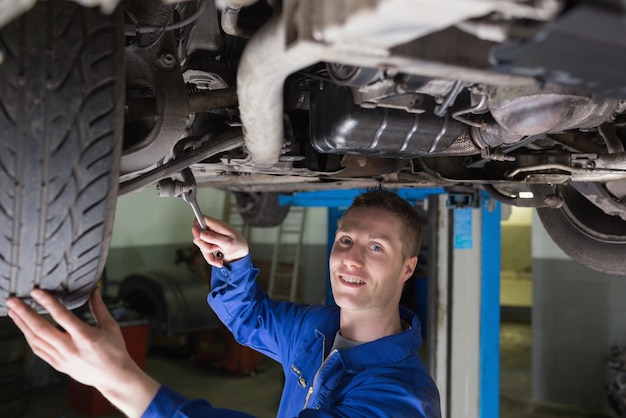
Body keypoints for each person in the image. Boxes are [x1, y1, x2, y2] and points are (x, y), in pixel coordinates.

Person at [7, 186, 441, 417]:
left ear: (407, 268)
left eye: (377, 247)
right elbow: (249, 318)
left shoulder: (401, 397)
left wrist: (119, 379)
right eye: (345, 238)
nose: (350, 256)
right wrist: (235, 263)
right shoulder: (316, 329)